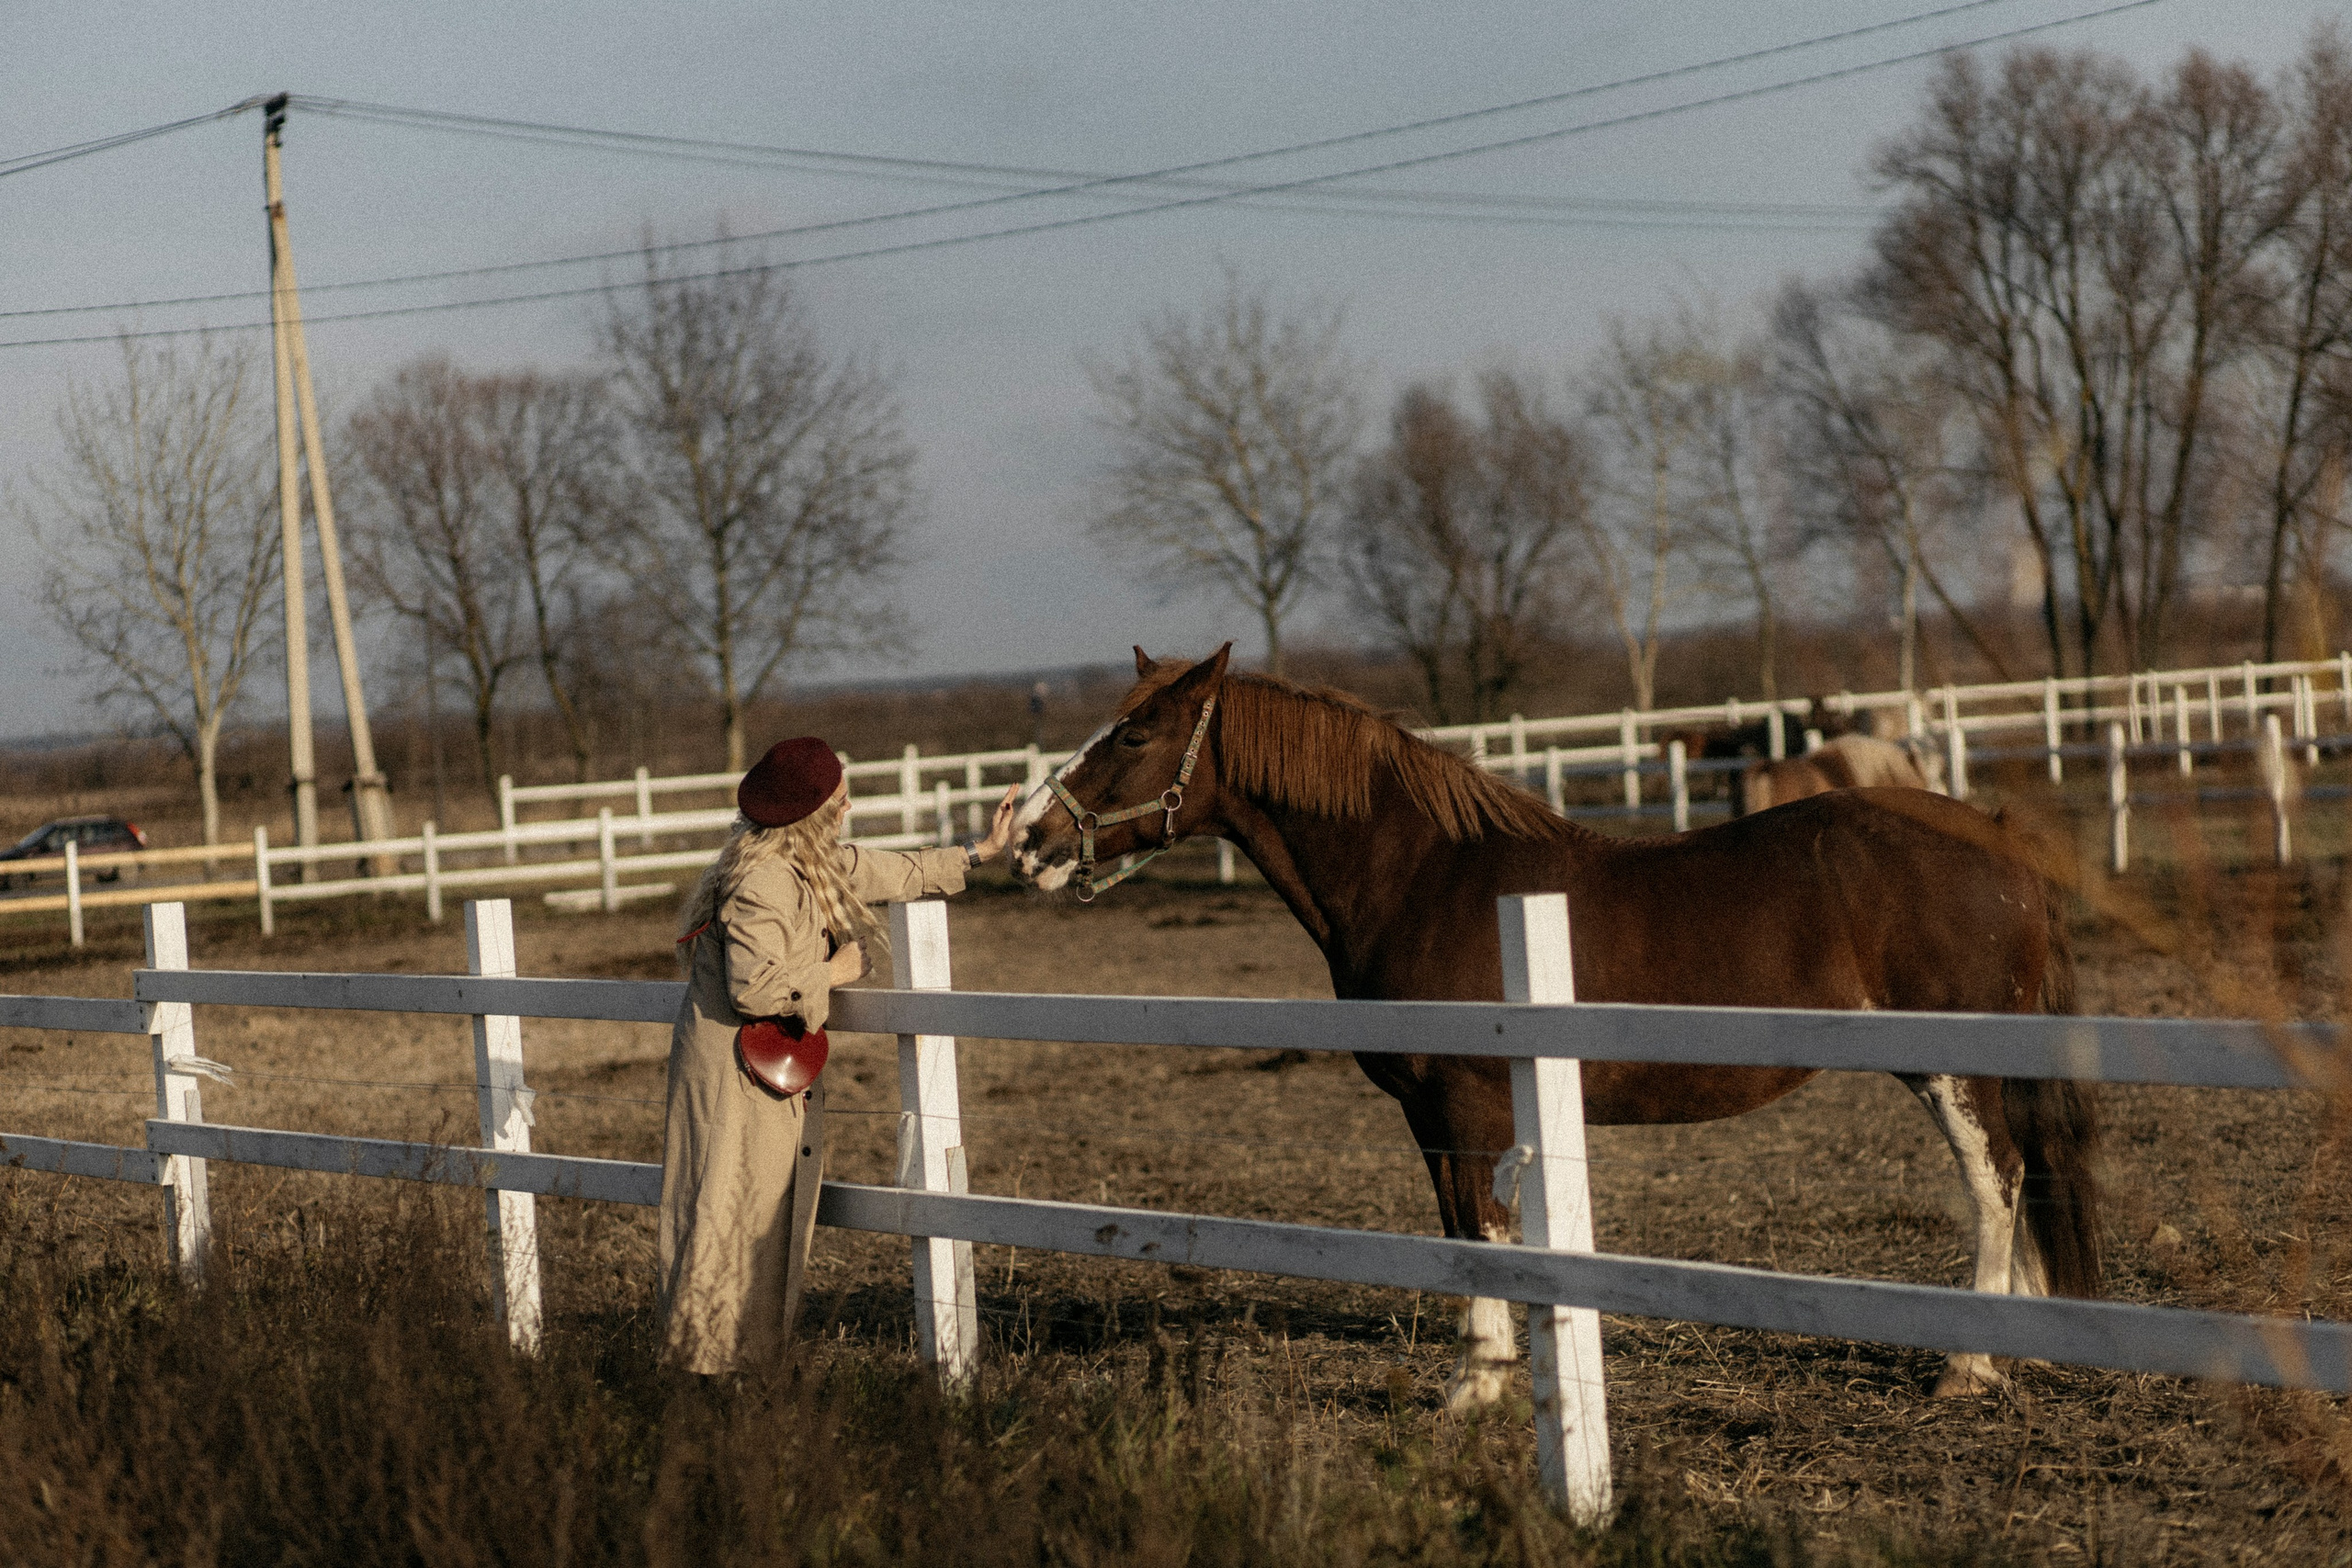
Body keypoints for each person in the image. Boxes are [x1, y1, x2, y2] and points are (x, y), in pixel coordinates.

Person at [659, 736, 1020, 1373]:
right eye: (841, 801)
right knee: (724, 1219)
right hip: (730, 1081)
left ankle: (739, 1372)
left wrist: (978, 851)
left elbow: (891, 869)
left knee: (753, 1221)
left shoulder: (809, 862)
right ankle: (705, 1379)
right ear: (812, 815)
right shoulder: (762, 881)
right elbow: (753, 986)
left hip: (754, 1077)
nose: (848, 812)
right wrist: (833, 970)